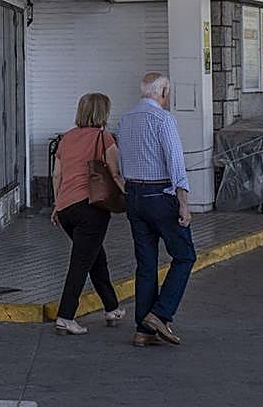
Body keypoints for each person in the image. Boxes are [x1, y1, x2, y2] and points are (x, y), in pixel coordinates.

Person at [115, 72, 197, 348]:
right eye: (168, 92)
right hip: (160, 195)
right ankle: (160, 314)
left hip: (134, 195)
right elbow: (176, 164)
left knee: (146, 263)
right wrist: (183, 204)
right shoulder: (163, 120)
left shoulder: (124, 121)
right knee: (185, 255)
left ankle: (143, 329)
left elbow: (123, 163)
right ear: (162, 92)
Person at [50, 92, 127, 335]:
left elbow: (56, 175)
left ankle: (112, 307)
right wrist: (130, 197)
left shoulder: (67, 138)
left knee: (95, 256)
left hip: (66, 210)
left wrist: (56, 205)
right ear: (103, 112)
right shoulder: (104, 138)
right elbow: (114, 173)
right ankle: (65, 316)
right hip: (91, 209)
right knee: (81, 262)